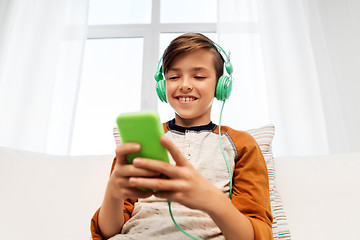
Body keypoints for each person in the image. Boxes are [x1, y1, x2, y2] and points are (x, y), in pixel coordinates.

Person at [90, 33, 273, 240]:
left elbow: (256, 235)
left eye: (199, 76)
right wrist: (113, 191)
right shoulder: (142, 139)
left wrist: (212, 200)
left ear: (221, 85)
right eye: (174, 77)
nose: (184, 85)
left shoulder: (241, 144)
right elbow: (108, 232)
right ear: (162, 84)